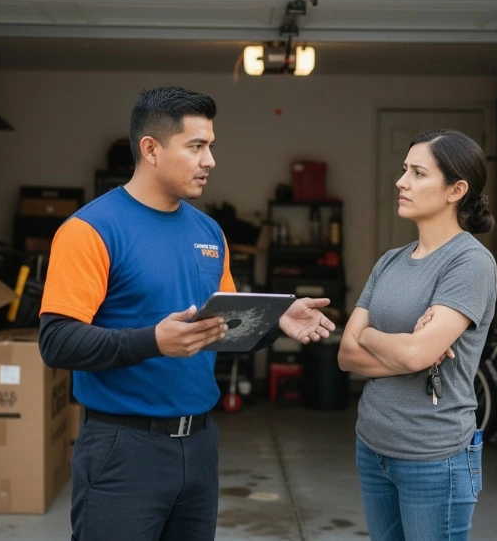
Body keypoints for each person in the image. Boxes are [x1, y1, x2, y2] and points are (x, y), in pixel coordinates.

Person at [37, 86, 336, 541]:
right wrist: (152, 341)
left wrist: (277, 321)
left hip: (199, 445)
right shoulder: (90, 230)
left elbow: (224, 329)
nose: (210, 160)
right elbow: (56, 341)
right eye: (196, 146)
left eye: (211, 146)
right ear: (151, 149)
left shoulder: (209, 231)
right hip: (122, 447)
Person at [337, 128, 497, 541]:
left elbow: (413, 356)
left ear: (455, 189)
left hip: (434, 456)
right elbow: (345, 355)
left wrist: (371, 336)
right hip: (372, 445)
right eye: (403, 169)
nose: (401, 182)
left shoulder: (470, 263)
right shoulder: (390, 261)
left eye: (418, 173)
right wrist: (404, 345)